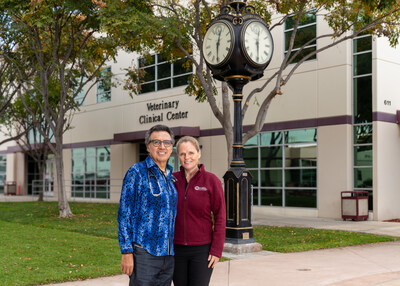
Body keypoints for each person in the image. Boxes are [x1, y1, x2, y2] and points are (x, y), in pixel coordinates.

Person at [117, 124, 177, 286]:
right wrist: (126, 251)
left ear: (172, 147)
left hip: (168, 255)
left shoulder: (171, 178)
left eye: (167, 142)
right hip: (145, 253)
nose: (162, 146)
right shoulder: (136, 172)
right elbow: (124, 214)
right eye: (156, 142)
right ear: (148, 147)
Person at [172, 136, 226, 286]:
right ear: (178, 156)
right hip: (176, 249)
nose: (186, 157)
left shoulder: (211, 181)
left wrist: (216, 250)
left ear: (198, 153)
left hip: (202, 251)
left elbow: (220, 216)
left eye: (190, 153)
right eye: (182, 154)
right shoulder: (171, 180)